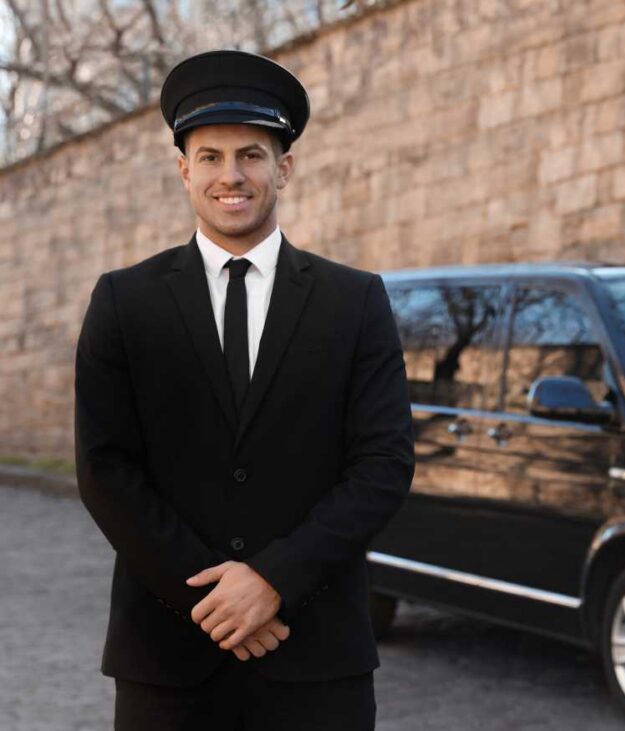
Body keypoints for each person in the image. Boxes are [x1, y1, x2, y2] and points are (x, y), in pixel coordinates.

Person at [73, 49, 415, 730]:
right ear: (183, 169)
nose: (232, 175)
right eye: (210, 156)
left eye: (252, 155)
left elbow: (383, 464)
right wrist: (215, 600)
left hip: (316, 659)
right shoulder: (123, 301)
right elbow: (105, 468)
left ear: (283, 167)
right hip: (168, 664)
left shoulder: (355, 301)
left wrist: (273, 581)